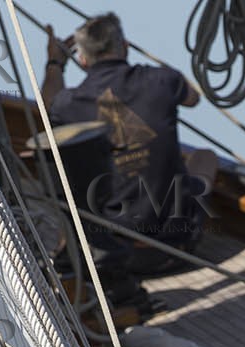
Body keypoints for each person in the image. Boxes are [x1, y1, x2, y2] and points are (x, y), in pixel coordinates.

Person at [42, 13, 215, 254]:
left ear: (82, 59)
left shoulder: (70, 103)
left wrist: (55, 62)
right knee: (205, 157)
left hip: (113, 250)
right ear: (125, 46)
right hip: (175, 244)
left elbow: (47, 105)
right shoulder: (161, 80)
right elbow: (193, 98)